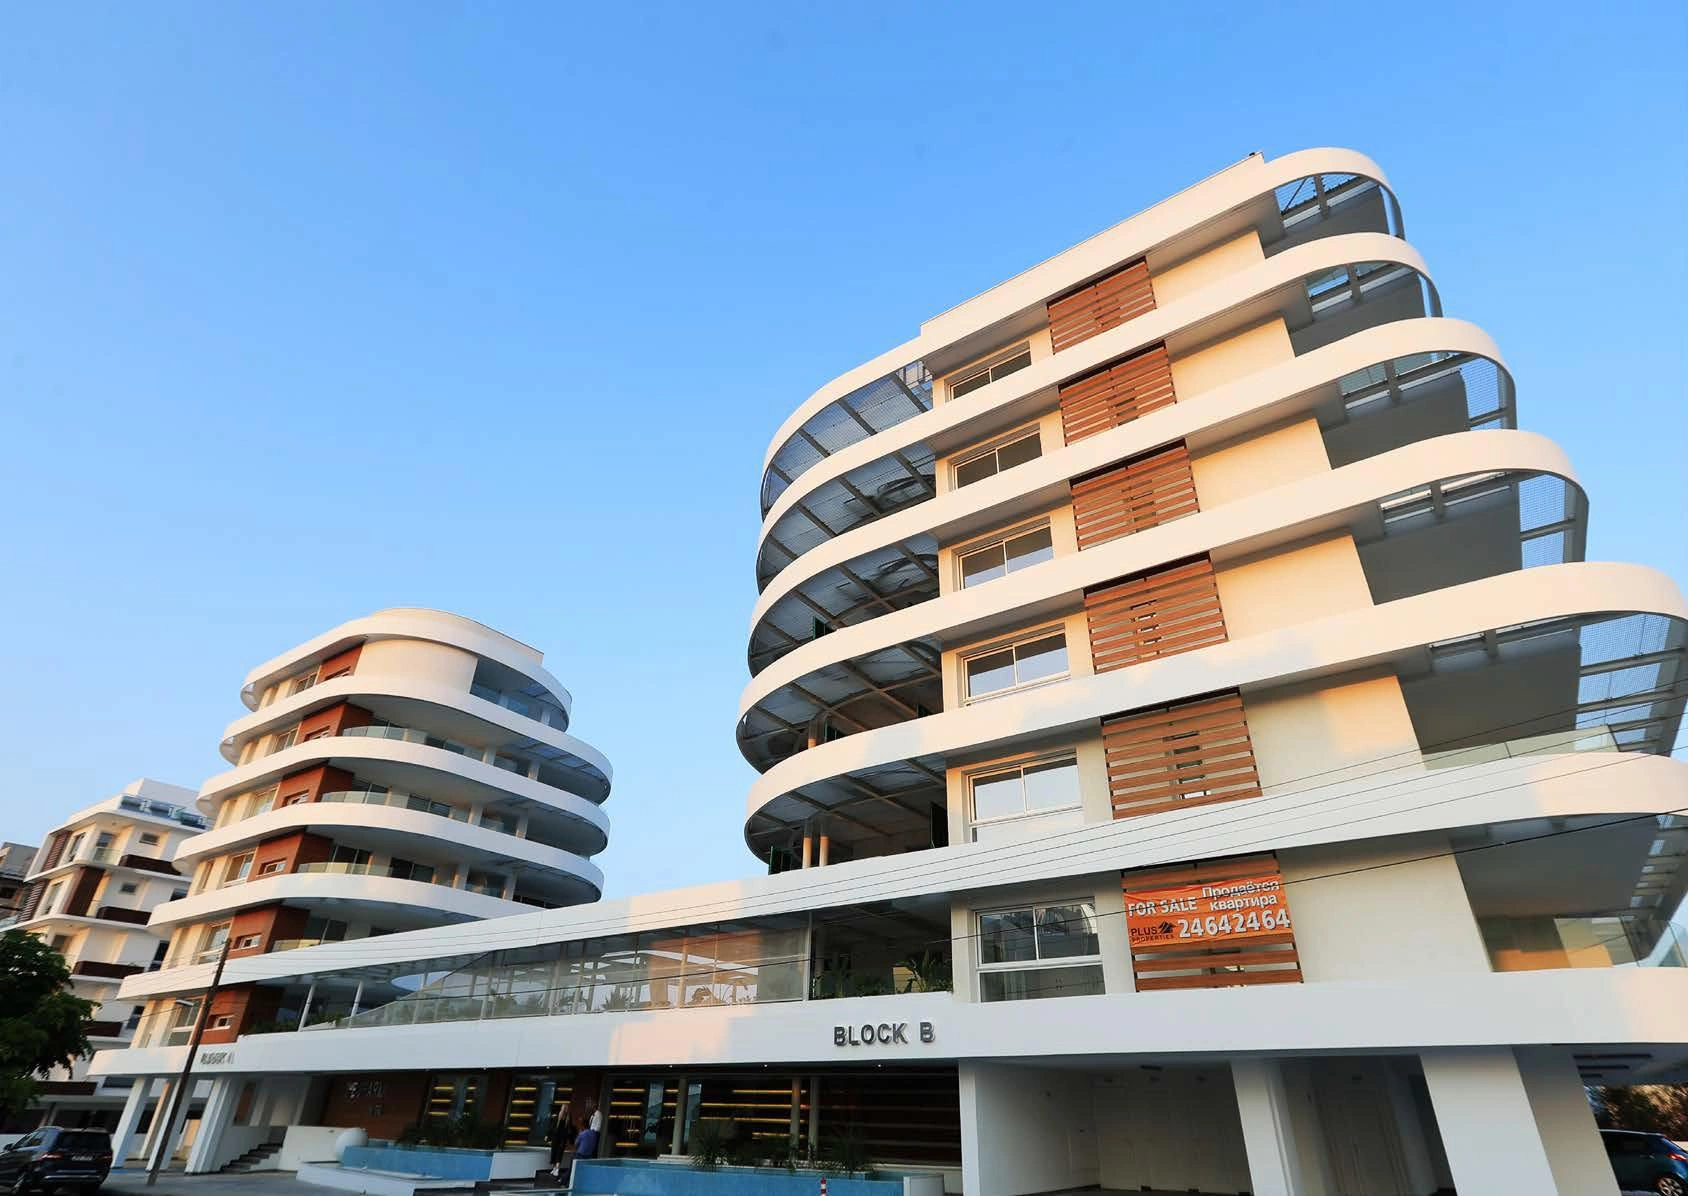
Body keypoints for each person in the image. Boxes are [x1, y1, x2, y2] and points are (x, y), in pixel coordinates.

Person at [547, 1108, 576, 1179]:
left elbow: (552, 1128)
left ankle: (555, 1168)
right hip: (562, 1140)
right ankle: (556, 1169)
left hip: (557, 1139)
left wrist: (548, 1136)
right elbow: (571, 1130)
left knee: (555, 1153)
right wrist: (571, 1141)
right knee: (558, 1154)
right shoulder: (567, 1119)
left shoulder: (558, 1118)